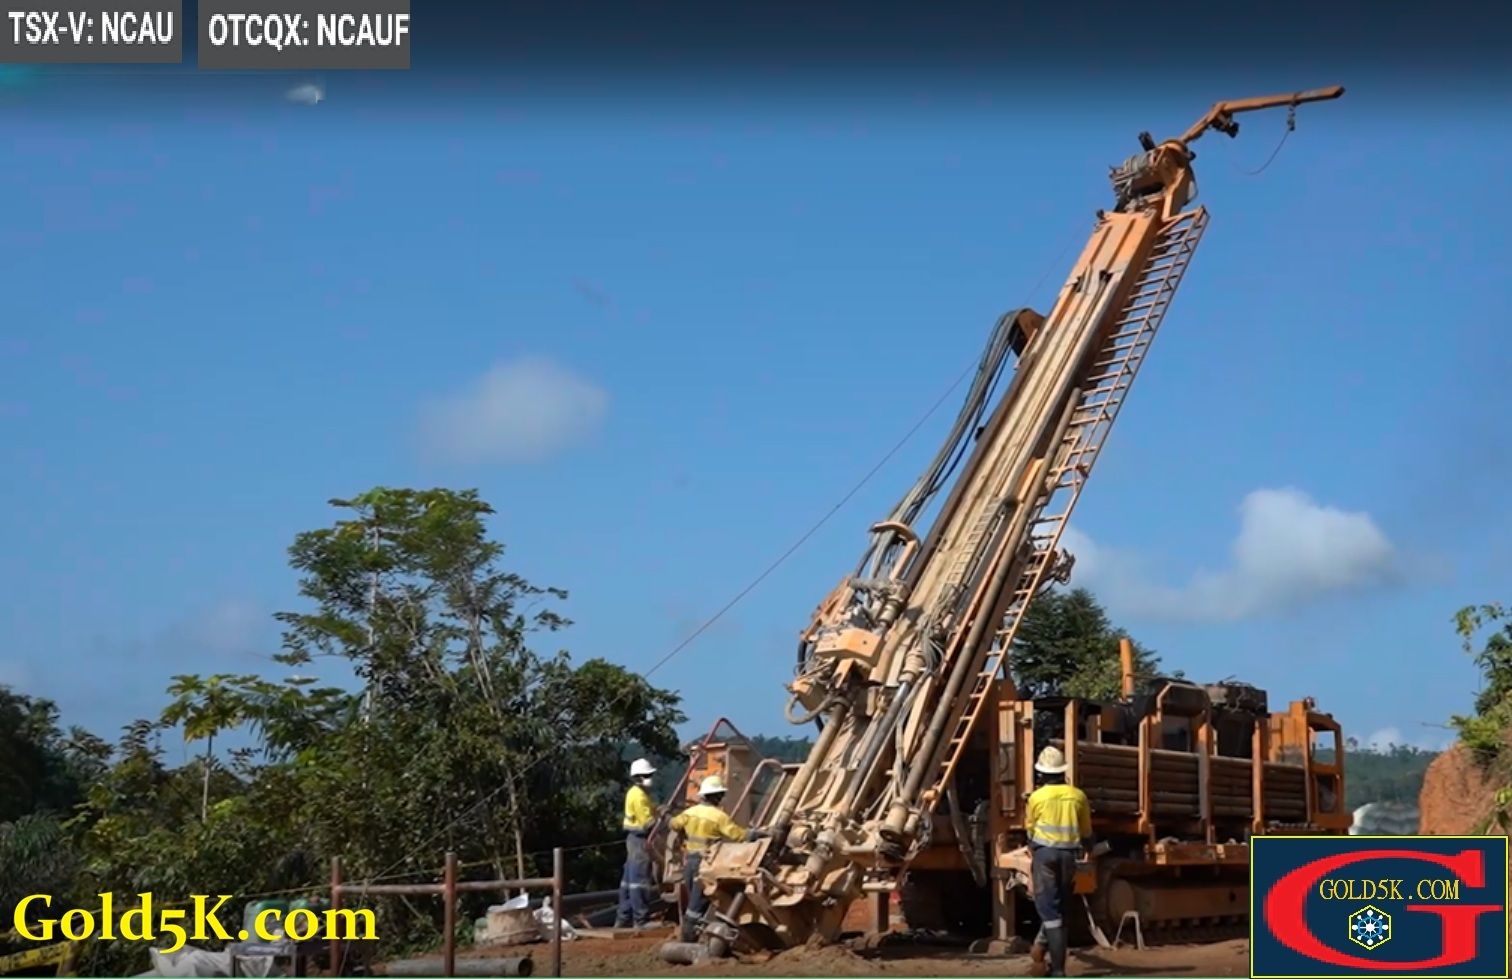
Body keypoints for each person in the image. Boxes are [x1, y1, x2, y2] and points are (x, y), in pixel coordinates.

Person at [666, 774, 764, 942]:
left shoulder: (690, 812)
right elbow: (738, 835)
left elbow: (673, 824)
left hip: (690, 861)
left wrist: (668, 816)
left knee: (695, 901)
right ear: (717, 796)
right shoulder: (719, 816)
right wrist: (757, 833)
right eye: (721, 795)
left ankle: (694, 935)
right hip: (707, 864)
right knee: (700, 903)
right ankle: (689, 939)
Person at [1025, 745, 1093, 978]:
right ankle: (1046, 952)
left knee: (1049, 911)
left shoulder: (1036, 797)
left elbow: (1030, 830)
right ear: (1063, 771)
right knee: (1060, 908)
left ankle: (1058, 971)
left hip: (1045, 856)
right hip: (1069, 856)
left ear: (1042, 774)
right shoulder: (1078, 796)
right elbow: (1086, 833)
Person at [614, 758, 658, 930]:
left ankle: (623, 918)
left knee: (628, 881)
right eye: (647, 775)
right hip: (639, 839)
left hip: (633, 839)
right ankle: (641, 920)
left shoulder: (636, 793)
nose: (650, 778)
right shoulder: (639, 796)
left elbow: (647, 811)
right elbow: (648, 823)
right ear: (638, 777)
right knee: (639, 879)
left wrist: (657, 809)